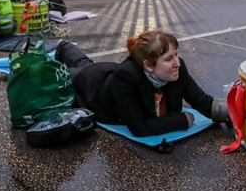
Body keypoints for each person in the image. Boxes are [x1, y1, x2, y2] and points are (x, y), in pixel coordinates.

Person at [54, 30, 216, 137]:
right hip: (89, 84)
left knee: (84, 62)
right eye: (168, 58)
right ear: (148, 65)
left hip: (106, 70)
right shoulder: (125, 78)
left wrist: (235, 114)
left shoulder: (176, 68)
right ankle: (59, 47)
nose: (177, 63)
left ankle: (63, 45)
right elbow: (139, 127)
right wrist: (182, 120)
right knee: (61, 74)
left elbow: (203, 101)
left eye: (176, 55)